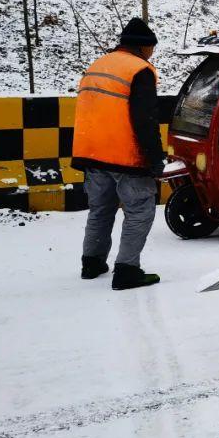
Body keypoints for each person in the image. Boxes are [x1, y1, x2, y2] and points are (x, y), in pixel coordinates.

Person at [71, 17, 165, 290]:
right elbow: (145, 119)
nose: (152, 54)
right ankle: (127, 270)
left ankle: (92, 263)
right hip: (125, 156)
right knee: (139, 211)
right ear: (143, 47)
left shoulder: (98, 65)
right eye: (151, 49)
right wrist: (154, 158)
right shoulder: (139, 70)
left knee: (100, 210)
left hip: (92, 153)